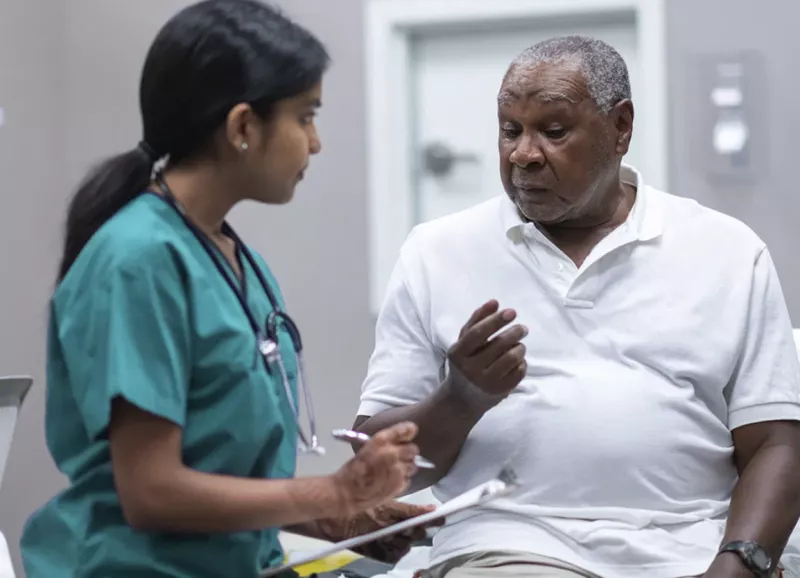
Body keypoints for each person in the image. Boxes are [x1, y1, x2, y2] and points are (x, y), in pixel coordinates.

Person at [354, 36, 800, 578]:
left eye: (554, 131)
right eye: (510, 130)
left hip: (690, 549)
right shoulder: (437, 251)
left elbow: (776, 441)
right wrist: (460, 397)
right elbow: (375, 471)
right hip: (510, 546)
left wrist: (741, 563)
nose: (523, 153)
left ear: (621, 129)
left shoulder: (727, 250)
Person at [20, 1, 432, 577]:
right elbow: (151, 493)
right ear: (243, 126)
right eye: (305, 116)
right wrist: (329, 495)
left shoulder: (240, 262)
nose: (315, 142)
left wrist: (347, 517)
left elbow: (223, 477)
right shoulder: (136, 259)